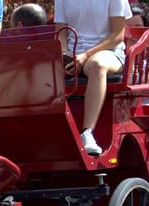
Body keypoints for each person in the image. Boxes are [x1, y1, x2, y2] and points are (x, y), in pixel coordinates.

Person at [55, 0, 132, 156]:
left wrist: (85, 55)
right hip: (74, 54)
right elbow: (61, 33)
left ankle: (87, 133)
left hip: (108, 52)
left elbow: (117, 36)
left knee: (97, 65)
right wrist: (65, 54)